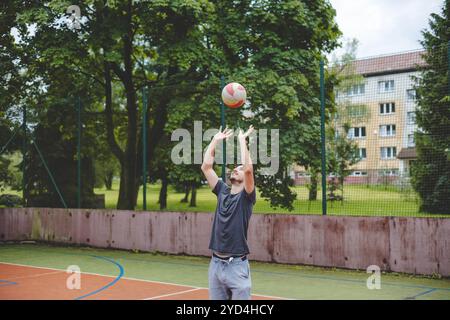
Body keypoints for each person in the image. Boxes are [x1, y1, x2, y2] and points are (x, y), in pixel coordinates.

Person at [201, 125, 256, 300]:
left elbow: (248, 169)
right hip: (215, 264)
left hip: (236, 266)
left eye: (238, 169)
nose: (236, 169)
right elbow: (206, 167)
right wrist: (215, 141)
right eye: (234, 168)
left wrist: (241, 140)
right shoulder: (222, 191)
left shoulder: (246, 198)